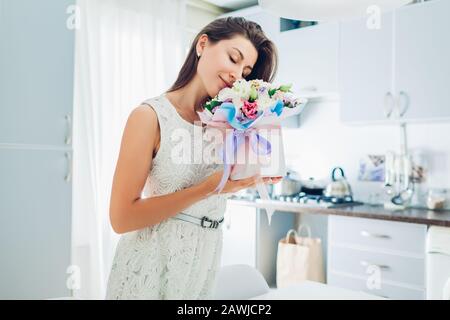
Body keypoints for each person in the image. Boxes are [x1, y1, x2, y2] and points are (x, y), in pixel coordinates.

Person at [105, 16, 281, 300]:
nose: (238, 75)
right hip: (148, 268)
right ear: (203, 44)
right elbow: (121, 218)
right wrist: (210, 187)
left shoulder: (227, 126)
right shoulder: (149, 117)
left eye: (246, 71)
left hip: (202, 268)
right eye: (233, 58)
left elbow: (219, 194)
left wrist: (250, 174)